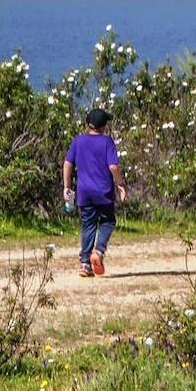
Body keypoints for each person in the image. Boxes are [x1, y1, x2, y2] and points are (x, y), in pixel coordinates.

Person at [63, 108, 128, 278]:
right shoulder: (107, 142)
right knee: (107, 222)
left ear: (88, 124)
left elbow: (68, 164)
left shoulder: (78, 141)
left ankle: (85, 264)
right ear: (104, 126)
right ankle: (98, 252)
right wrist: (120, 184)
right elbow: (113, 166)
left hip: (84, 192)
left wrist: (66, 186)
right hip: (103, 192)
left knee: (88, 225)